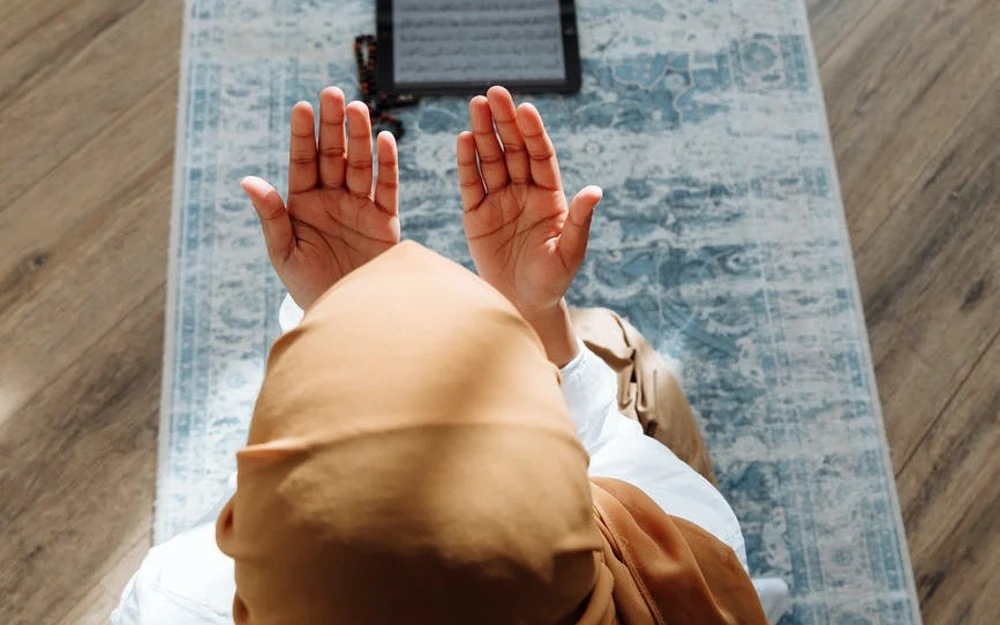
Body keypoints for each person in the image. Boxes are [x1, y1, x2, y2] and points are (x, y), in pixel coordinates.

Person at [112, 86, 787, 624]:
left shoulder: (179, 595)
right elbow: (600, 456)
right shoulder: (690, 542)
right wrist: (533, 316)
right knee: (617, 347)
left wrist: (345, 307)